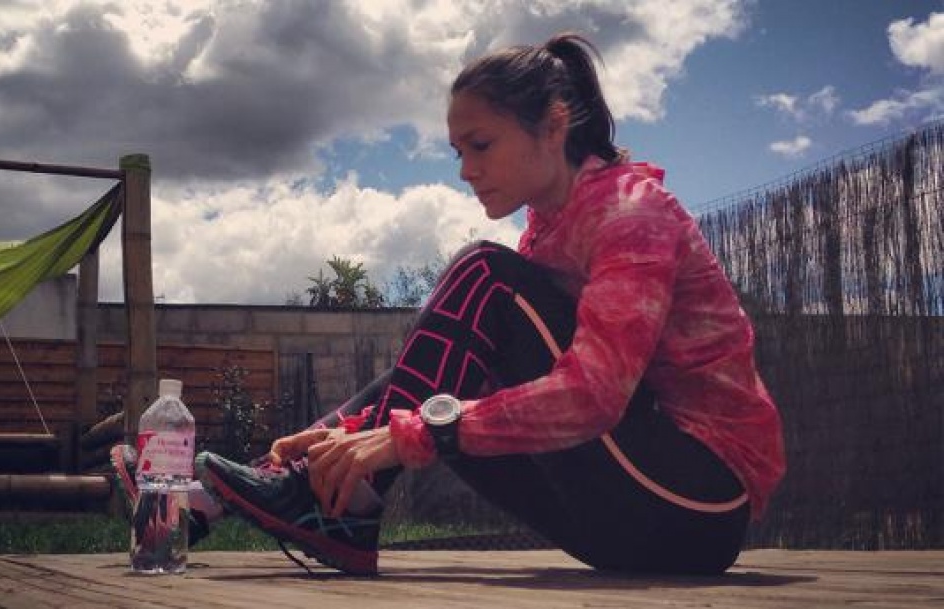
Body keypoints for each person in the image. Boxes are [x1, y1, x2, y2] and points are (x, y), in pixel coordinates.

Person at [113, 31, 785, 577]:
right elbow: (453, 385)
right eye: (458, 150)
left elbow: (595, 396)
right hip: (622, 513)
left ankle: (313, 497)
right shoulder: (548, 230)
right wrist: (352, 432)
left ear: (553, 126)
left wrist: (411, 432)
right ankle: (235, 496)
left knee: (480, 283)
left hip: (694, 501)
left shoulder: (631, 214)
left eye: (481, 145)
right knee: (446, 381)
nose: (464, 169)